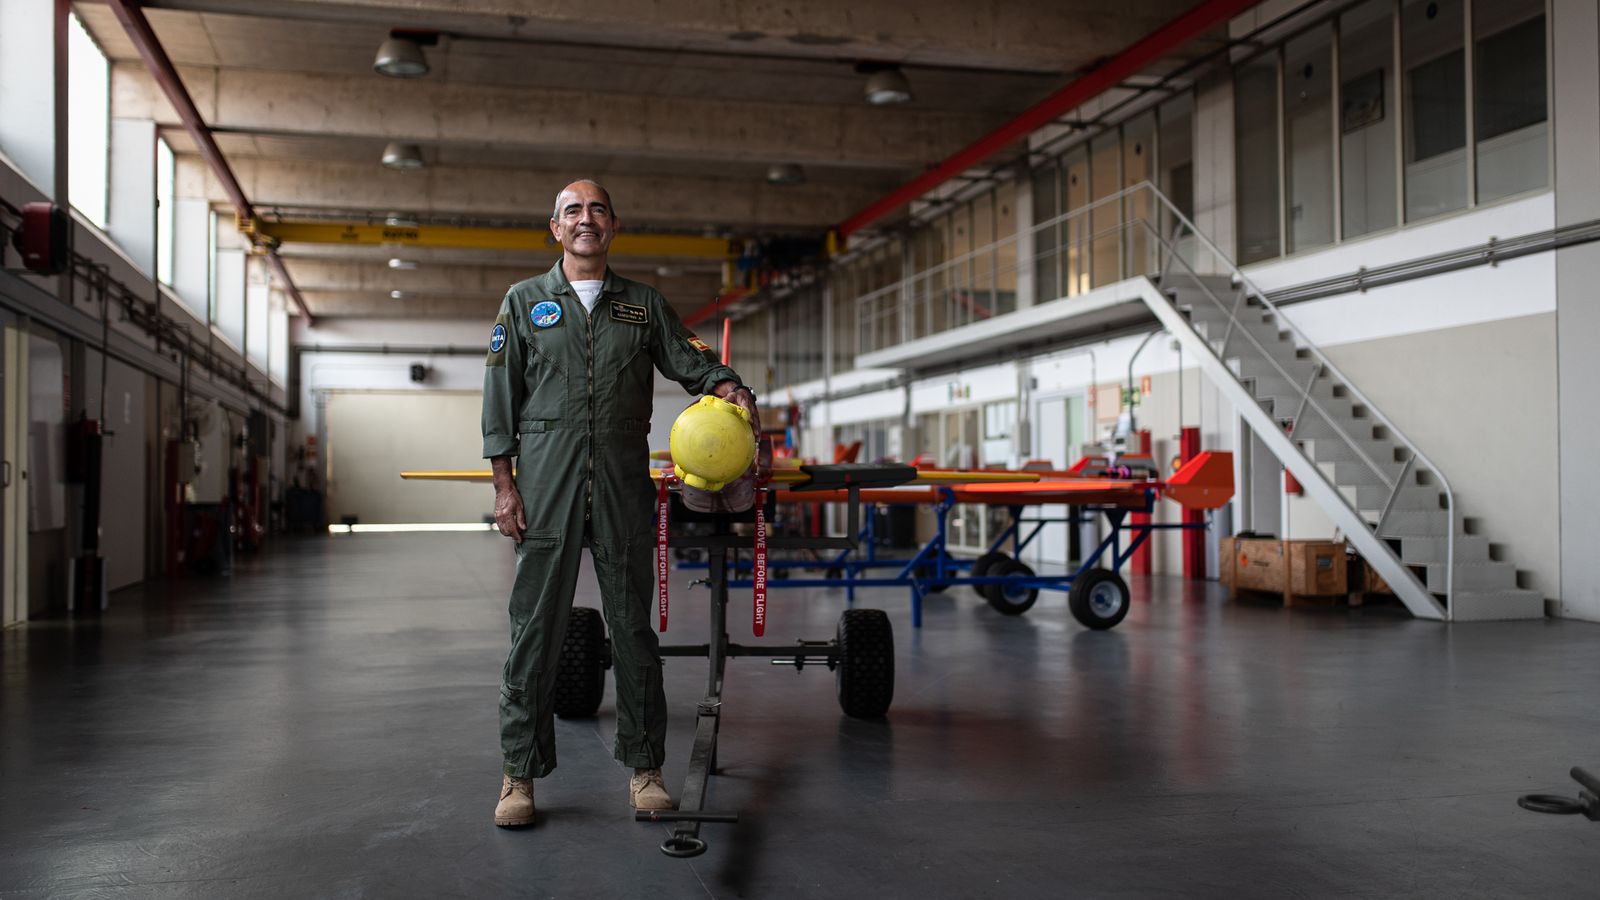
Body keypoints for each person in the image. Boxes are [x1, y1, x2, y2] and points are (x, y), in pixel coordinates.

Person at [481, 180, 761, 827]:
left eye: (597, 210)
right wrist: (504, 484)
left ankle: (646, 770)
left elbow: (691, 361)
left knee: (634, 630)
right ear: (555, 228)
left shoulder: (642, 306)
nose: (586, 220)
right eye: (573, 211)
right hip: (545, 483)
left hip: (621, 484)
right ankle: (518, 778)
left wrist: (728, 385)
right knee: (533, 633)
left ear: (613, 226)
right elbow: (498, 398)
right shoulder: (523, 303)